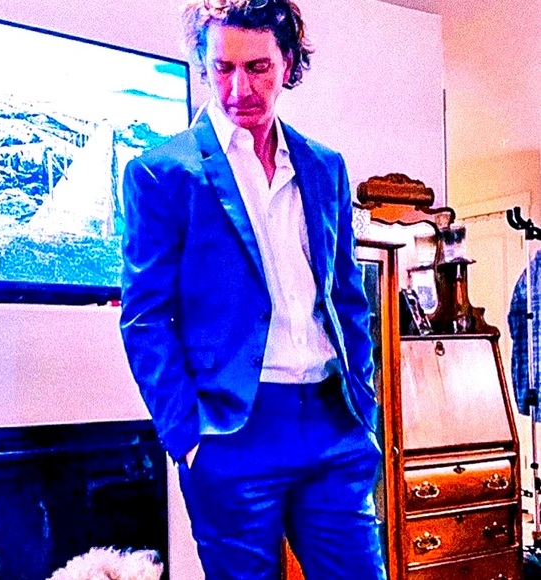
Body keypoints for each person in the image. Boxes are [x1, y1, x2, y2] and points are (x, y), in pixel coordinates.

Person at [120, 0, 386, 577]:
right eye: (223, 68)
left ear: (287, 62)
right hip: (230, 432)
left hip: (332, 421)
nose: (239, 88)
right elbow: (145, 317)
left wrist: (363, 402)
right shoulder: (162, 173)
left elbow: (347, 295)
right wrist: (187, 435)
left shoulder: (325, 167)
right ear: (204, 65)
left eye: (258, 67)